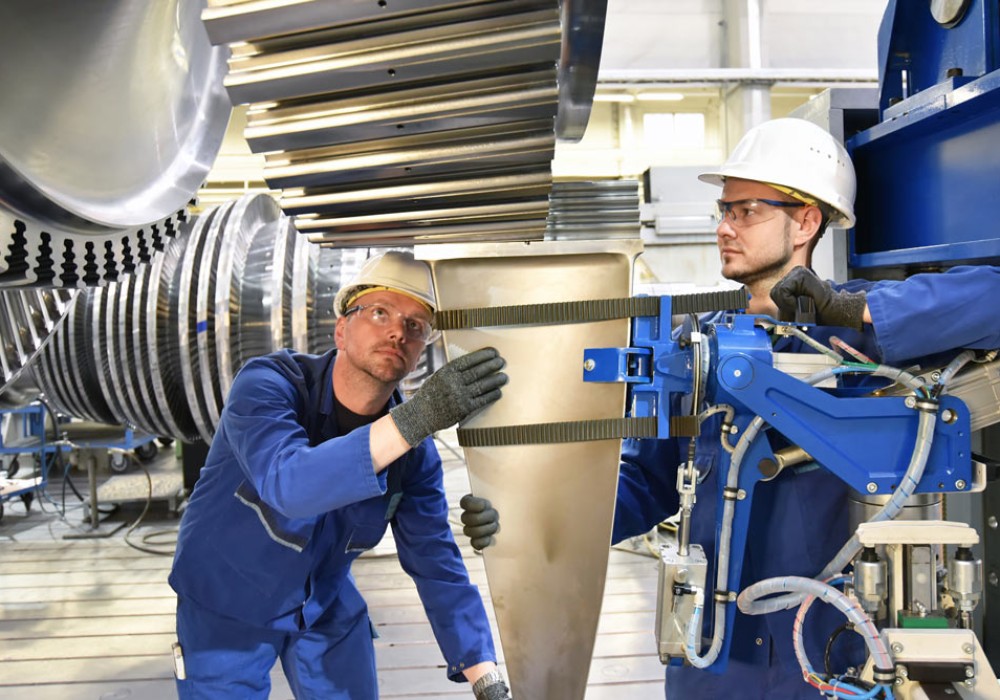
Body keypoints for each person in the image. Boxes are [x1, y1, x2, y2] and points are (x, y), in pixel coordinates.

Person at [460, 118, 1000, 698]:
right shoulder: (697, 348)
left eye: (746, 212)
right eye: (724, 210)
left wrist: (847, 311)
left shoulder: (859, 336)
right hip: (715, 654)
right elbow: (647, 484)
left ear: (806, 222)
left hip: (825, 653)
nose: (724, 228)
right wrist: (533, 519)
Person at [169, 250, 513, 700]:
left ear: (420, 352)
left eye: (415, 325)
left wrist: (486, 679)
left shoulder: (412, 454)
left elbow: (436, 563)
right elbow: (289, 485)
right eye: (379, 312)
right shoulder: (268, 385)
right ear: (341, 329)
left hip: (321, 599)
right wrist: (417, 418)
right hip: (225, 597)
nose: (398, 332)